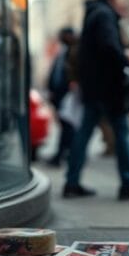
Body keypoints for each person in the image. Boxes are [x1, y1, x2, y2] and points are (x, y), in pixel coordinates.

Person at [64, 0, 129, 200]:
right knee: (123, 132)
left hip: (94, 87)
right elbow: (109, 47)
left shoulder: (92, 14)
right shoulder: (104, 15)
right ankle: (128, 183)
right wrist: (126, 56)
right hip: (108, 87)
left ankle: (72, 182)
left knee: (84, 132)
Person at [45, 27, 77, 167]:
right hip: (58, 94)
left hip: (68, 94)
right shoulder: (62, 51)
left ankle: (64, 154)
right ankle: (66, 153)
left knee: (68, 126)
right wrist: (51, 89)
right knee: (65, 126)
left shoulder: (74, 51)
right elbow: (55, 72)